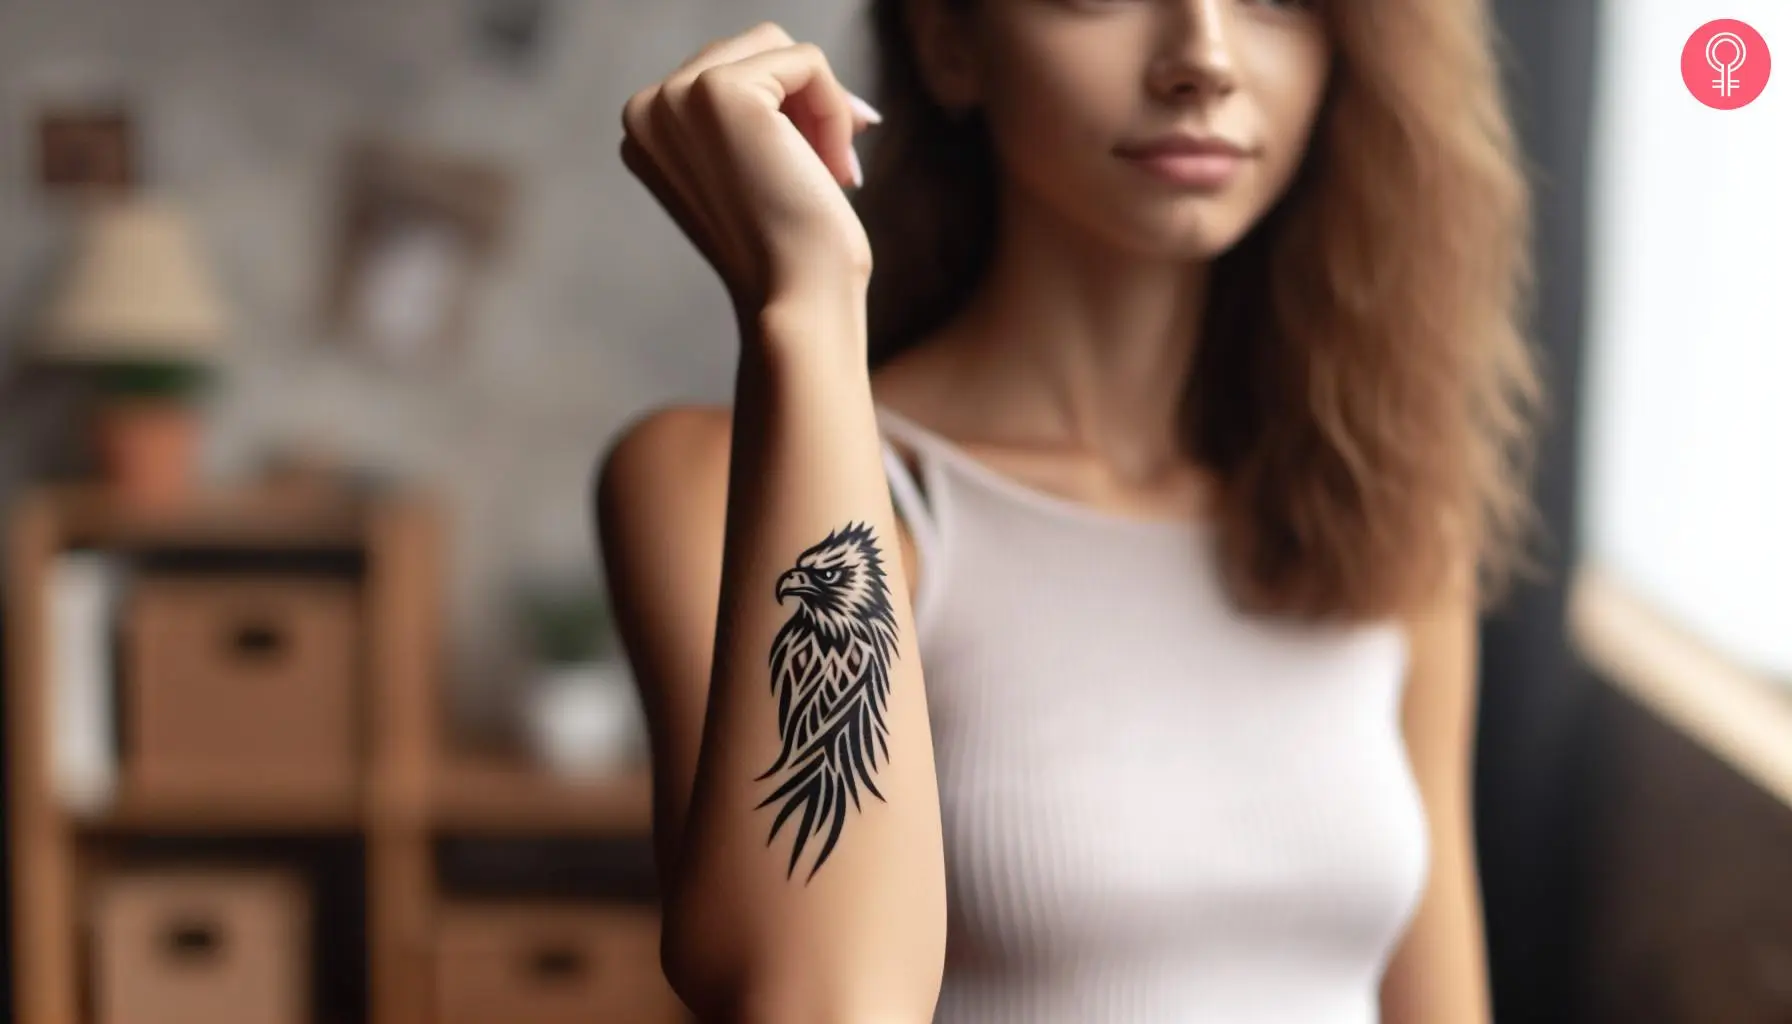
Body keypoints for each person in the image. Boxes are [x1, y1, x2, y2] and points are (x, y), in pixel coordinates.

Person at [596, 0, 1539, 1020]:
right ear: (950, 39)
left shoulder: (1378, 510)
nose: (1202, 60)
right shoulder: (723, 485)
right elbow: (813, 1003)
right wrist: (806, 302)